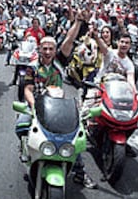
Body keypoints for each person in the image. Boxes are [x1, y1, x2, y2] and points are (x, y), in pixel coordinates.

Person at [15, 10, 98, 189]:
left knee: (74, 137)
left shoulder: (60, 62)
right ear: (39, 50)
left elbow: (68, 40)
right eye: (44, 48)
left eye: (51, 48)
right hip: (37, 106)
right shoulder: (32, 68)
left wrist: (77, 21)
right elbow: (28, 90)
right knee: (21, 125)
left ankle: (80, 172)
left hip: (58, 107)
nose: (47, 51)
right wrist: (32, 105)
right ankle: (27, 153)